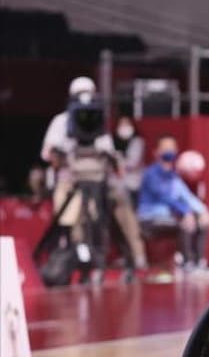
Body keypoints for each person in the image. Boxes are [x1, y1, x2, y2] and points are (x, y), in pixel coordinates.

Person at [40, 77, 147, 277]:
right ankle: (78, 261)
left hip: (99, 180)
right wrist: (61, 153)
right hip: (69, 179)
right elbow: (48, 154)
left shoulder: (99, 120)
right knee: (73, 221)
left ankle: (134, 256)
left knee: (115, 207)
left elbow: (110, 154)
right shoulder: (61, 121)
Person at [137, 136, 209, 271]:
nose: (169, 151)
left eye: (172, 148)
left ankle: (199, 263)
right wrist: (186, 212)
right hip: (150, 218)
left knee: (203, 221)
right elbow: (166, 197)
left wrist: (203, 211)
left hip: (171, 216)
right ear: (156, 152)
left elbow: (186, 196)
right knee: (185, 222)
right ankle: (187, 264)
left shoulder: (173, 176)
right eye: (166, 148)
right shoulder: (151, 174)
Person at [112, 115, 145, 202]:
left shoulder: (137, 141)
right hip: (116, 184)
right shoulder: (112, 141)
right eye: (121, 124)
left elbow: (133, 162)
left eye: (127, 124)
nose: (124, 127)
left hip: (134, 182)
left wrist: (120, 163)